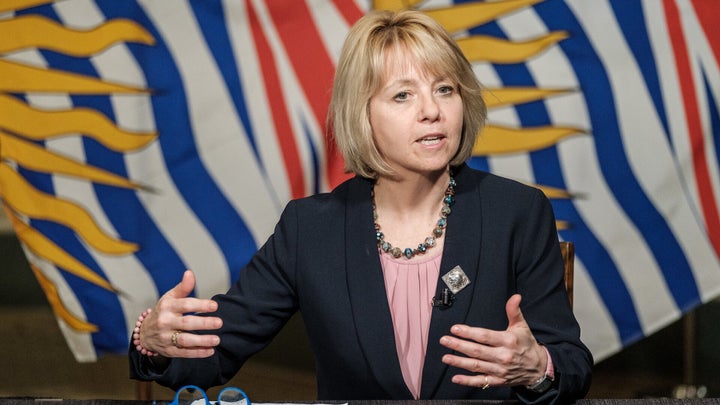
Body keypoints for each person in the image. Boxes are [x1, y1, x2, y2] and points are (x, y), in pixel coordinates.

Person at [129, 9, 593, 403]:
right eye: (403, 95)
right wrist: (154, 341)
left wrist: (536, 367)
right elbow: (213, 354)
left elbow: (571, 366)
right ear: (362, 114)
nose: (431, 110)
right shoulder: (310, 228)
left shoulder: (517, 212)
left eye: (445, 89)